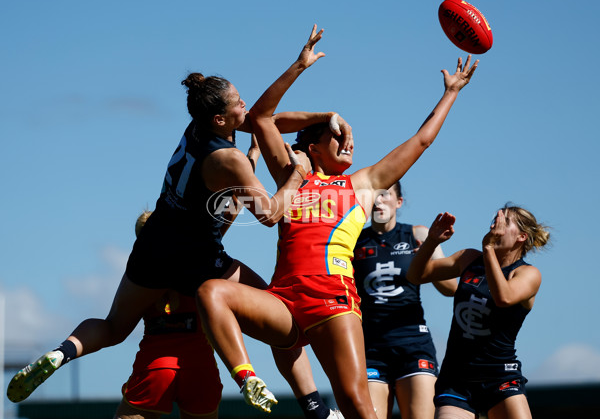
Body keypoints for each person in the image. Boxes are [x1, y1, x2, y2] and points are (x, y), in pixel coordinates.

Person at [7, 32, 352, 418]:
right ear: (221, 117)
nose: (245, 104)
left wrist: (315, 103)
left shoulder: (198, 130)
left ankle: (60, 352)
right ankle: (310, 406)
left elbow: (262, 122)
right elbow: (270, 214)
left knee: (113, 327)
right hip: (197, 257)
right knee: (278, 309)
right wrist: (295, 177)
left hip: (153, 246)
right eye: (238, 102)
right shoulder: (230, 159)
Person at [196, 24, 478, 419]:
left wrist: (450, 93)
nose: (348, 142)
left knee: (356, 405)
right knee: (211, 291)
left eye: (350, 138)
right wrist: (301, 70)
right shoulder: (291, 177)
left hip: (333, 299)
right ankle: (247, 379)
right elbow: (261, 116)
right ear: (313, 146)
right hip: (286, 301)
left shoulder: (362, 184)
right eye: (338, 136)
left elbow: (420, 141)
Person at [406, 205, 550, 419]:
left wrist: (489, 248)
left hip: (500, 377)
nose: (494, 225)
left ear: (522, 236)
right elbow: (416, 275)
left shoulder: (528, 274)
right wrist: (432, 241)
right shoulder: (469, 259)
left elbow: (504, 297)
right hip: (457, 380)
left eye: (504, 221)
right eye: (495, 219)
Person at [352, 181, 457, 419]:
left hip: (413, 344)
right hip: (371, 348)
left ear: (399, 202)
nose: (379, 201)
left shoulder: (418, 234)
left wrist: (430, 249)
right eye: (374, 197)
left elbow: (449, 289)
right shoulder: (353, 240)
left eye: (385, 195)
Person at [115, 211, 222, 419]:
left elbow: (118, 324)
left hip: (154, 366)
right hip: (200, 366)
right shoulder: (202, 262)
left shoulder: (139, 275)